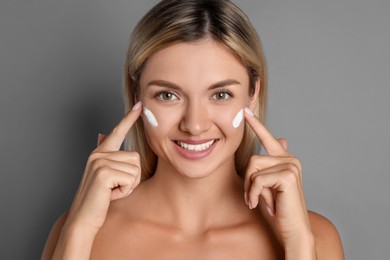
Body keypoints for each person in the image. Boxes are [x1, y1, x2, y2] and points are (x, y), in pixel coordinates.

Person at [42, 0, 344, 259]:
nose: (195, 125)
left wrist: (298, 243)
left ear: (252, 96)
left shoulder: (316, 237)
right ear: (137, 96)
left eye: (221, 94)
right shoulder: (78, 228)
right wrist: (79, 233)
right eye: (168, 95)